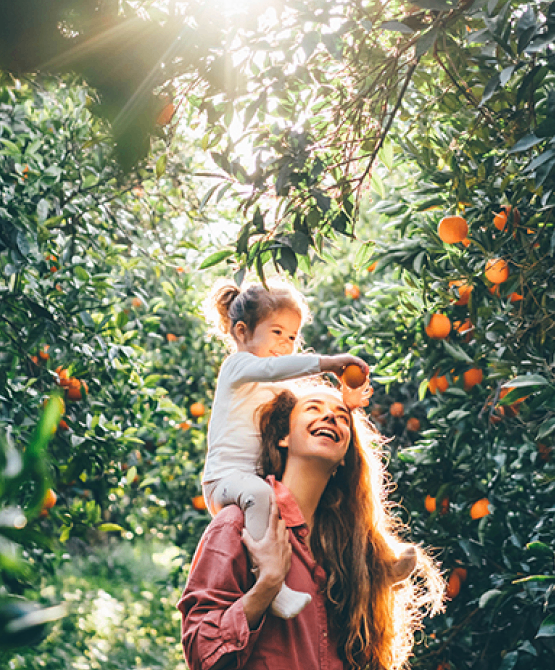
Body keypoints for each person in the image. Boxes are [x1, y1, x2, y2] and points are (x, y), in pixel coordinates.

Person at [179, 383, 443, 670]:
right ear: (284, 437)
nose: (331, 417)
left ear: (345, 456)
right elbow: (201, 652)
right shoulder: (237, 524)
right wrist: (268, 584)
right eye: (313, 408)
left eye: (342, 417)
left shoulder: (349, 550)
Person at [197, 279, 392, 619]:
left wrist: (347, 400)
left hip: (250, 480)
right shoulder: (238, 366)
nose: (286, 344)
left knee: (274, 498)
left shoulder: (273, 382)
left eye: (292, 337)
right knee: (261, 495)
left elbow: (310, 403)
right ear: (242, 332)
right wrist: (330, 362)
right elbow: (274, 368)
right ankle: (273, 586)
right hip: (224, 480)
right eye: (277, 332)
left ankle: (376, 567)